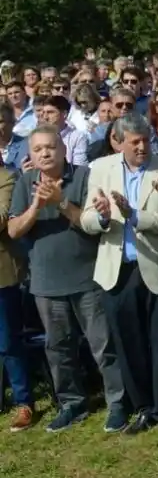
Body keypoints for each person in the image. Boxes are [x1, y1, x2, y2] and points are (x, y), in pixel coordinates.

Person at [7, 125, 128, 433]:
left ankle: (117, 403)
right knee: (58, 348)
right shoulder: (24, 183)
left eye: (50, 147)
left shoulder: (86, 176)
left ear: (63, 149)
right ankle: (72, 403)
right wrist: (36, 205)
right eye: (37, 149)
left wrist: (60, 201)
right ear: (30, 154)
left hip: (87, 278)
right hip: (46, 282)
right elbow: (13, 230)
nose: (45, 153)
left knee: (104, 346)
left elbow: (91, 225)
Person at [79, 113, 158, 438]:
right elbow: (85, 219)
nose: (141, 147)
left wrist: (135, 216)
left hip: (155, 267)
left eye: (145, 140)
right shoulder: (101, 169)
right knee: (128, 343)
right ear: (119, 142)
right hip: (117, 270)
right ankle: (143, 408)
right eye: (134, 142)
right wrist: (104, 218)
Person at [0, 164, 33, 431]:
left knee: (8, 341)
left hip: (2, 274)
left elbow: (2, 217)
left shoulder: (7, 177)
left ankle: (24, 402)